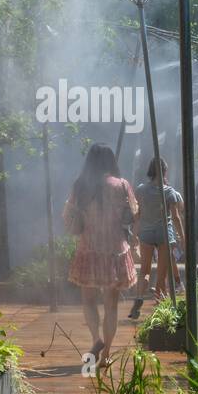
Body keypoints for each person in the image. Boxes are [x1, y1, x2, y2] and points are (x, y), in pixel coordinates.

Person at [63, 143, 138, 368]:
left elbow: (68, 215)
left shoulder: (80, 186)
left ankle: (96, 339)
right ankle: (106, 354)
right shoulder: (122, 185)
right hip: (115, 249)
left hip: (89, 248)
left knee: (88, 300)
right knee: (111, 304)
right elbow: (134, 212)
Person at [133, 157, 185, 307]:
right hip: (164, 234)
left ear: (150, 171)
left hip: (146, 233)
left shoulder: (141, 190)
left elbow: (138, 215)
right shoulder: (169, 192)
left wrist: (134, 236)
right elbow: (175, 217)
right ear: (165, 171)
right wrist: (182, 236)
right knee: (161, 276)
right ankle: (160, 309)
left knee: (144, 271)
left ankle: (139, 298)